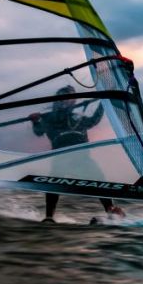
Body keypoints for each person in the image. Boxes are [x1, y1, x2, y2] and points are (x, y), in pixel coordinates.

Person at [29, 85, 125, 223]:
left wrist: (103, 104)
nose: (70, 101)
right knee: (53, 181)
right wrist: (35, 121)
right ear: (58, 100)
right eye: (66, 98)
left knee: (99, 179)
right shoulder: (48, 118)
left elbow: (93, 121)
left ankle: (111, 210)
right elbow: (39, 132)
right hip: (61, 157)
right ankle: (49, 217)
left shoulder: (76, 116)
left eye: (72, 99)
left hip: (82, 158)